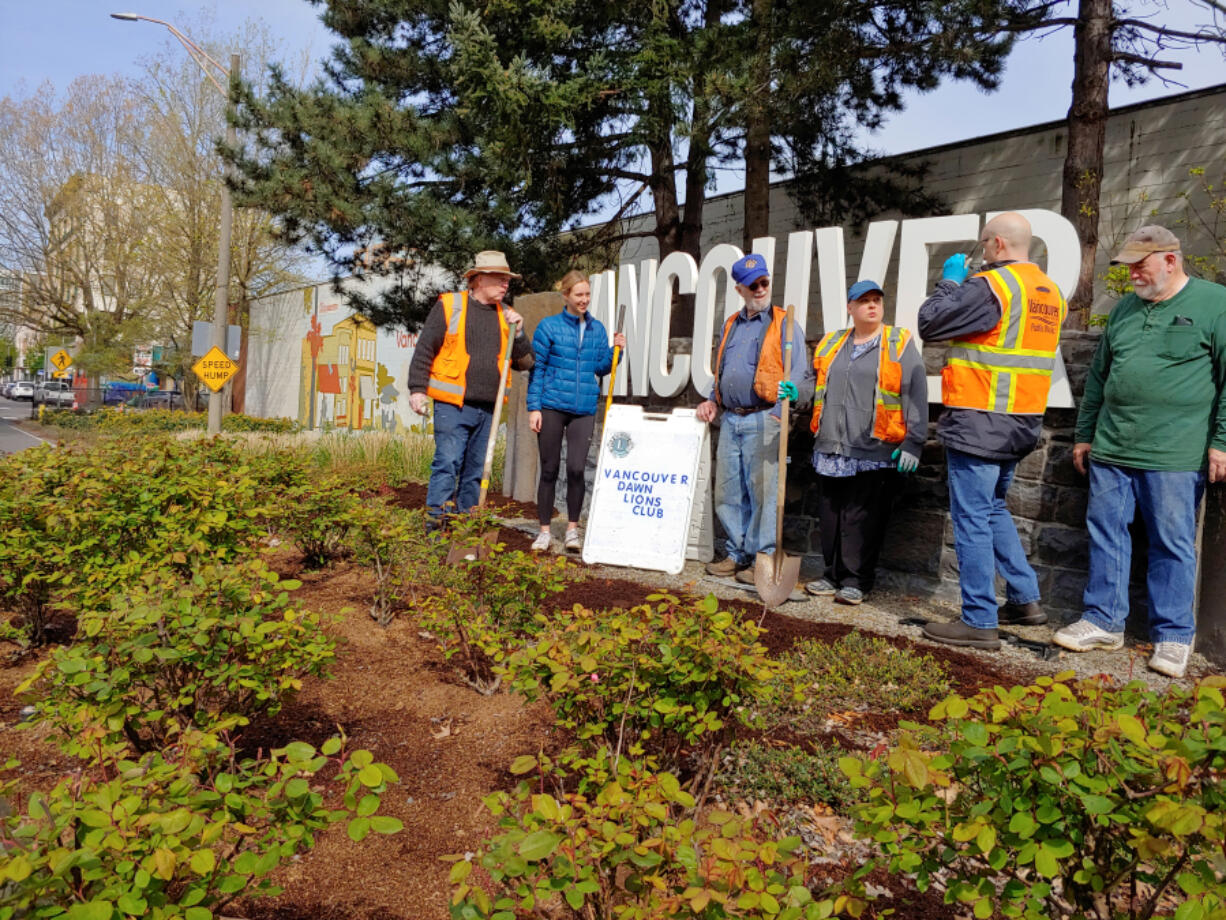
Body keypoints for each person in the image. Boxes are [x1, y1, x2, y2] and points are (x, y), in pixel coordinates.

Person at [1055, 226, 1226, 678]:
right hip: (1113, 445)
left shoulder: (1215, 304)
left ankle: (1173, 636)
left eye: (1140, 265)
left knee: (1171, 544)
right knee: (1106, 531)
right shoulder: (1125, 309)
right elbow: (1099, 376)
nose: (1131, 274)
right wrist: (1085, 433)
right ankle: (1103, 621)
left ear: (1171, 260)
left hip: (1174, 452)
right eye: (1128, 266)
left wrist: (1222, 442)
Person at [917, 212, 1067, 650]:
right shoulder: (1049, 291)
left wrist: (949, 283)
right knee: (995, 508)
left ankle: (979, 620)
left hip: (981, 419)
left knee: (971, 519)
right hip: (1021, 421)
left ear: (998, 244)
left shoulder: (993, 287)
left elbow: (931, 323)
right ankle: (1024, 599)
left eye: (983, 245)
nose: (981, 253)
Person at [805, 280, 927, 605]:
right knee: (830, 516)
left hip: (874, 450)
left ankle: (857, 580)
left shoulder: (898, 342)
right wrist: (796, 392)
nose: (872, 305)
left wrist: (915, 441)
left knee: (862, 517)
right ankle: (830, 575)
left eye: (876, 300)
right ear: (850, 308)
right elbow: (814, 384)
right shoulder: (832, 343)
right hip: (830, 445)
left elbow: (915, 391)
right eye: (864, 301)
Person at [696, 253, 811, 584]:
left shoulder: (785, 323)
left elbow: (802, 375)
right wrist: (711, 399)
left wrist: (783, 410)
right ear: (739, 290)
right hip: (731, 419)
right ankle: (736, 553)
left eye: (764, 282)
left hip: (766, 418)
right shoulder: (731, 323)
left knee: (764, 493)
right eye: (753, 285)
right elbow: (723, 369)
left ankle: (761, 558)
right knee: (728, 491)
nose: (761, 289)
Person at [408, 250, 533, 526]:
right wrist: (417, 389)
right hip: (453, 405)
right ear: (477, 280)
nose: (505, 284)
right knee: (447, 464)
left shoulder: (507, 316)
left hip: (488, 408)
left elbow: (525, 363)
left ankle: (466, 530)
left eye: (507, 279)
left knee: (475, 471)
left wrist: (520, 332)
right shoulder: (451, 306)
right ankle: (435, 530)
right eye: (499, 278)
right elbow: (425, 348)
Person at [526, 270, 627, 552]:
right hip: (552, 406)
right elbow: (538, 370)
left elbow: (600, 367)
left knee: (576, 469)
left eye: (587, 295)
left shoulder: (597, 329)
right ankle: (544, 531)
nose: (584, 300)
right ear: (566, 296)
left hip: (583, 408)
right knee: (549, 468)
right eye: (578, 295)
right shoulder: (549, 327)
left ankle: (572, 529)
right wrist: (534, 408)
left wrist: (615, 351)